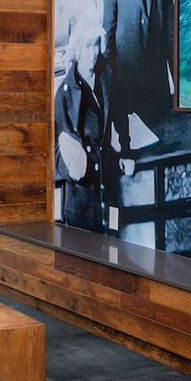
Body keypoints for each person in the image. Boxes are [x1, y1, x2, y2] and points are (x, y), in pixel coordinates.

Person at [99, 0, 174, 183]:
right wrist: (112, 95)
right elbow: (108, 36)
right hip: (128, 86)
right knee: (141, 166)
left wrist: (178, 81)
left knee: (167, 150)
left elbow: (169, 21)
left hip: (158, 82)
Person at [55, 14, 108, 232]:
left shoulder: (106, 80)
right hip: (80, 200)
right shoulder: (65, 94)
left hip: (107, 190)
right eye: (87, 46)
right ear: (77, 50)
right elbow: (56, 149)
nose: (93, 53)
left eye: (96, 45)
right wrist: (75, 170)